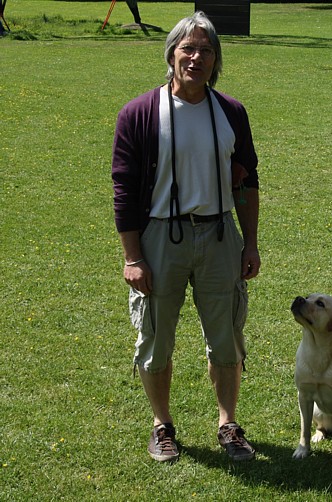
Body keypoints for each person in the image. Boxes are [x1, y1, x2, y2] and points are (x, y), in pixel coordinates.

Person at [111, 11, 260, 463]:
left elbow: (248, 179)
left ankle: (228, 423)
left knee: (227, 337)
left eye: (206, 50)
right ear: (171, 54)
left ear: (216, 60)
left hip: (219, 236)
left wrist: (249, 242)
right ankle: (162, 425)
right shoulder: (139, 113)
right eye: (188, 49)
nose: (197, 58)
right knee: (156, 339)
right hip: (160, 237)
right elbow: (123, 187)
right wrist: (133, 256)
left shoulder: (230, 111)